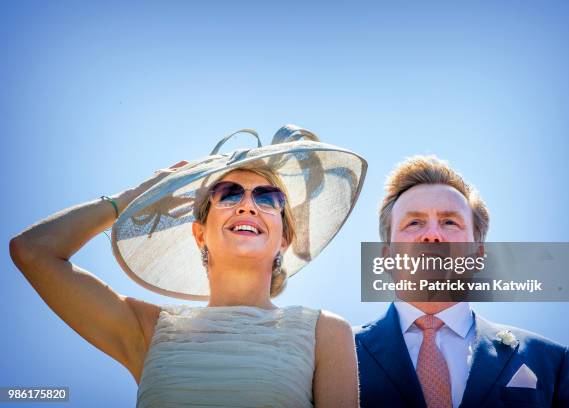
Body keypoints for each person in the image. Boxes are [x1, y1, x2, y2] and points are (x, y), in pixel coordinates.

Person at [10, 125, 366, 407]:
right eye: (228, 193)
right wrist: (130, 199)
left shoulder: (325, 332)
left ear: (283, 240)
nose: (247, 205)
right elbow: (32, 251)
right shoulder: (149, 330)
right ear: (199, 234)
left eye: (267, 198)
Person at [355, 155, 569, 408]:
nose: (433, 235)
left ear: (478, 255)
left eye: (449, 222)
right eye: (414, 223)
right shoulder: (332, 355)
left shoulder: (551, 362)